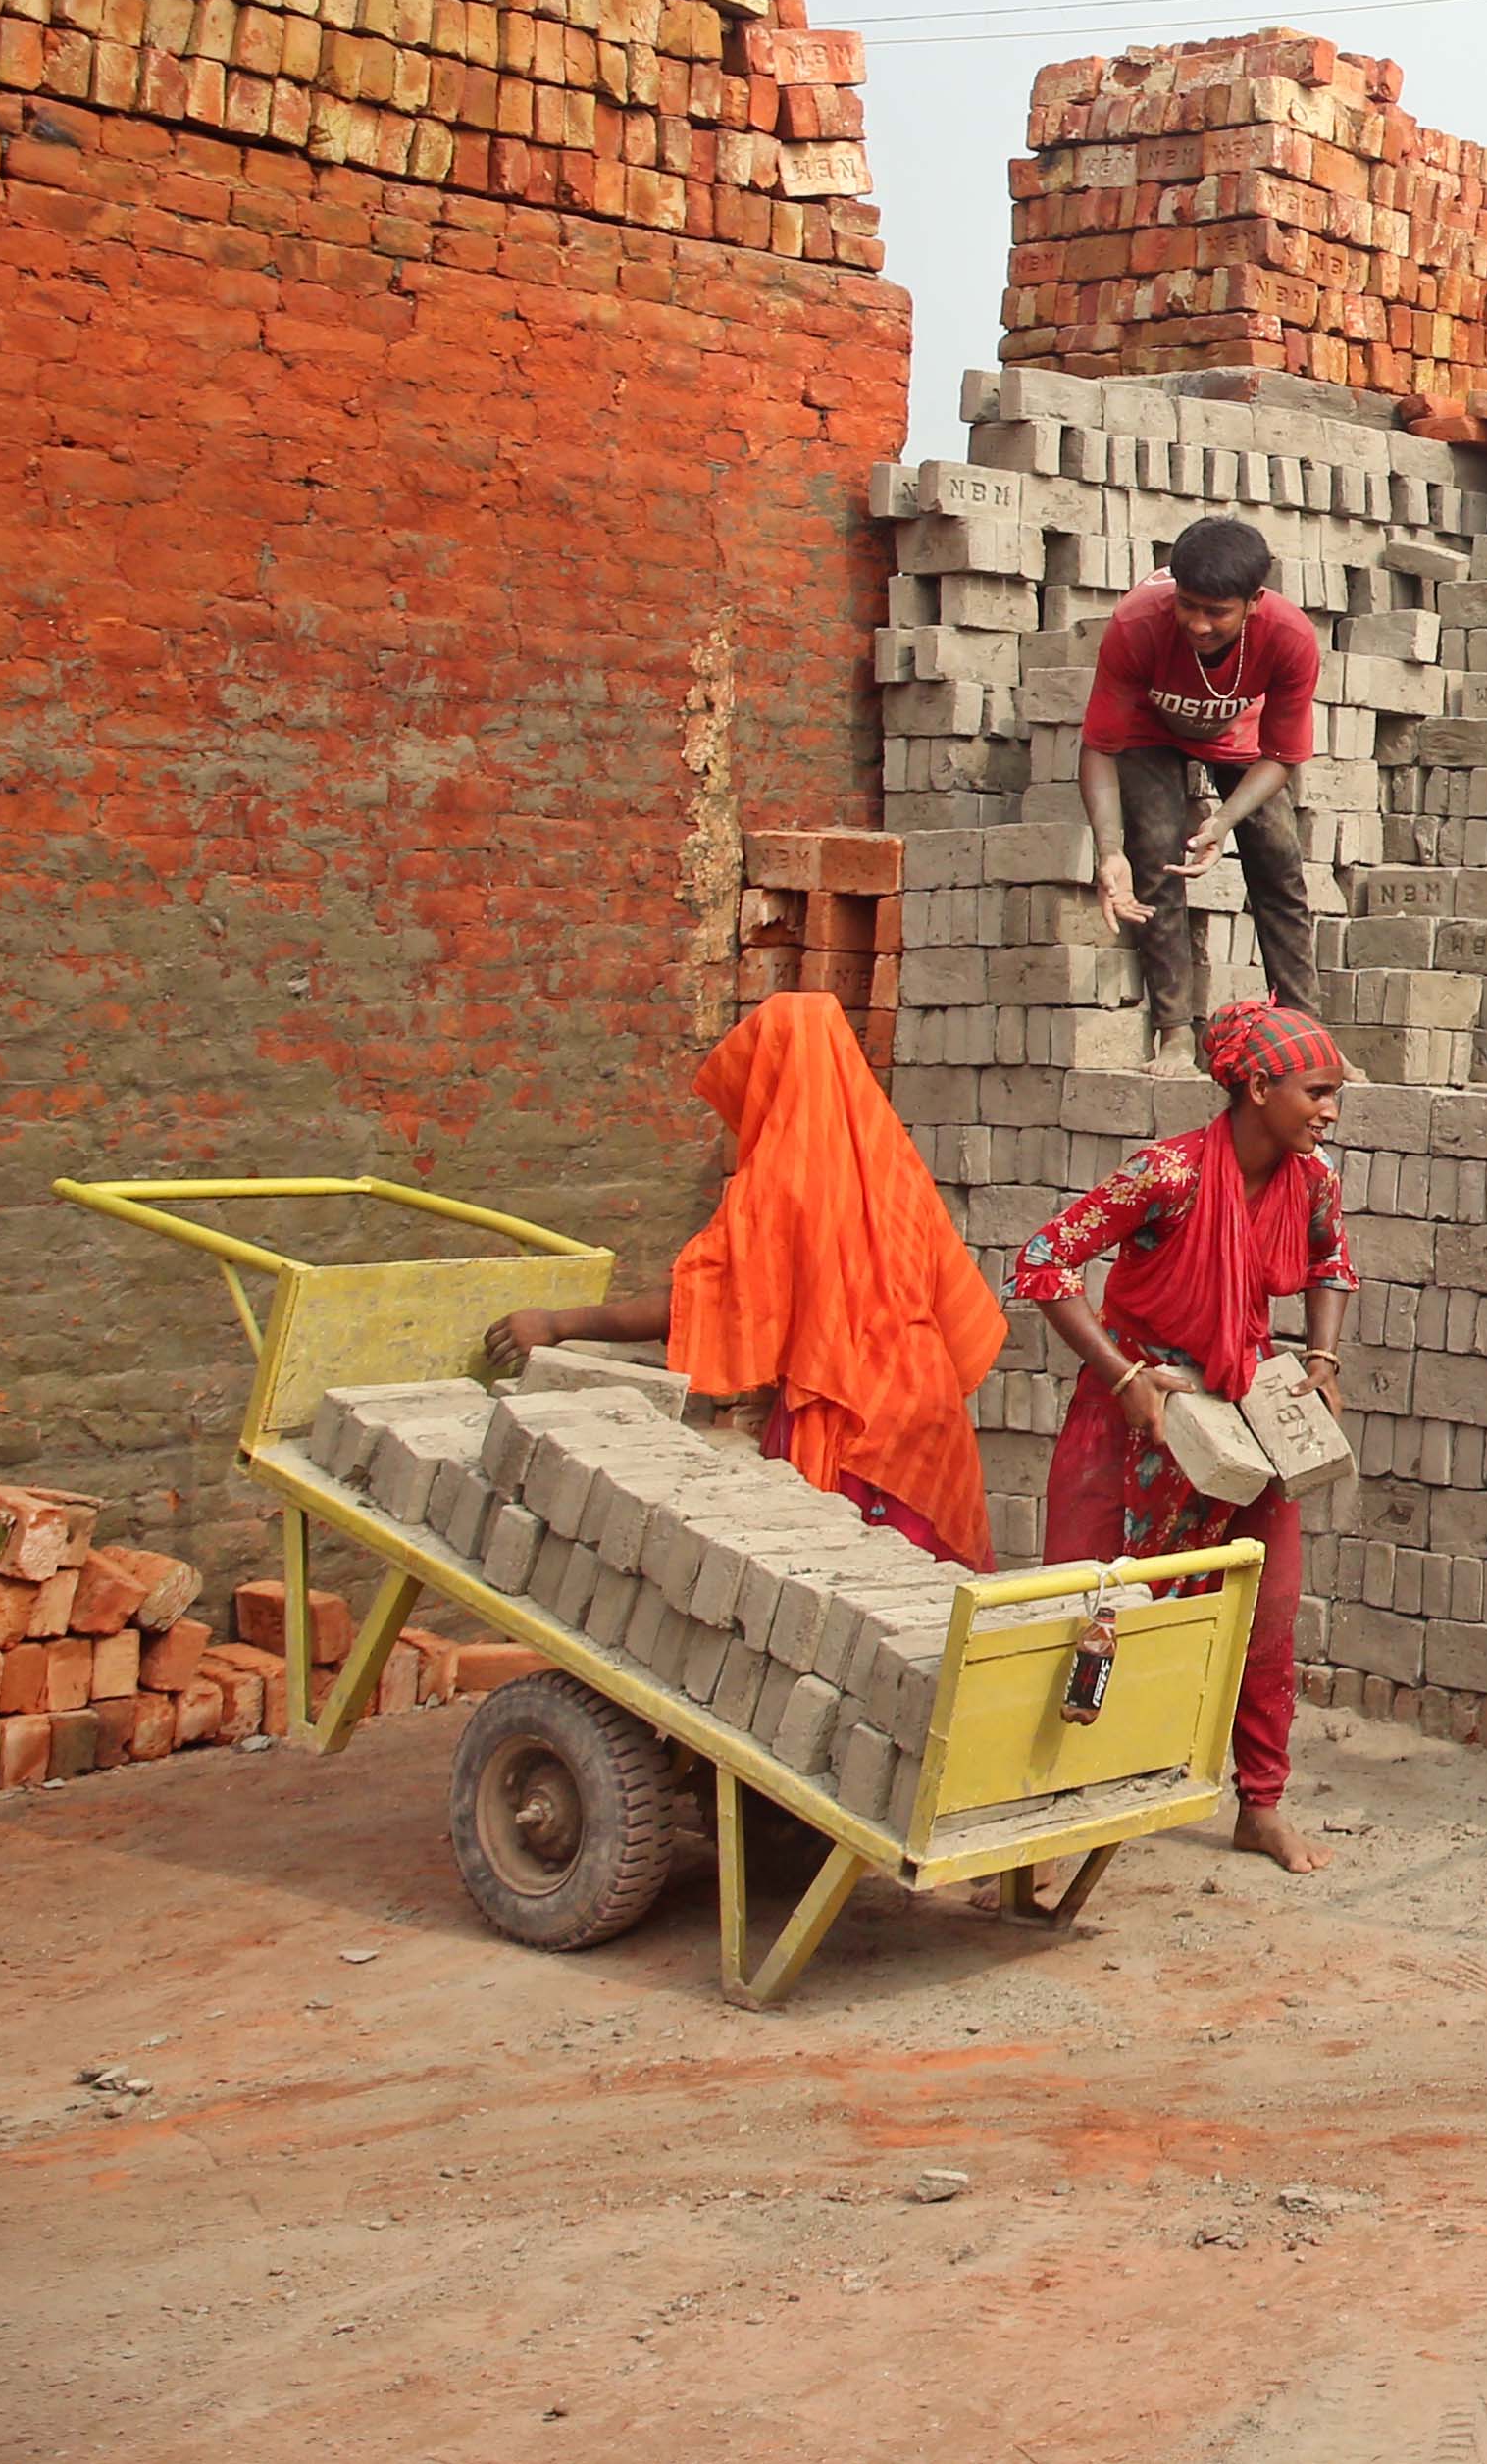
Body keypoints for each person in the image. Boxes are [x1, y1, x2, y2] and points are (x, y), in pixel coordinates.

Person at [1008, 997, 1358, 1874]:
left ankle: (1262, 1804)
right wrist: (1122, 1377)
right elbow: (1044, 1260)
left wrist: (1322, 1356)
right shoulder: (1164, 1175)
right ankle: (1054, 1818)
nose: (1330, 1111)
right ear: (1256, 1085)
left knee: (1266, 1612)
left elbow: (1330, 1265)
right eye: (1316, 1091)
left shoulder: (1312, 1182)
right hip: (1133, 1419)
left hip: (1244, 1418)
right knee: (1095, 1616)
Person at [482, 993, 1009, 1566]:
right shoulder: (891, 1161)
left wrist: (559, 1323)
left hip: (852, 1414)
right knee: (930, 1611)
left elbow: (705, 1297)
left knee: (839, 1594)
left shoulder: (784, 1179)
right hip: (925, 1406)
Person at [1085, 515, 1324, 1051]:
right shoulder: (1137, 623)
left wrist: (1223, 819)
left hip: (1239, 734)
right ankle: (1173, 1032)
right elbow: (1099, 746)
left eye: (1217, 613)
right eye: (1188, 605)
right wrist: (1108, 849)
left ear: (1254, 600)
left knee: (1279, 863)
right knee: (1154, 852)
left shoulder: (1289, 638)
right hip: (1150, 728)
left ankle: (1305, 1035)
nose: (1198, 624)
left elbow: (1281, 755)